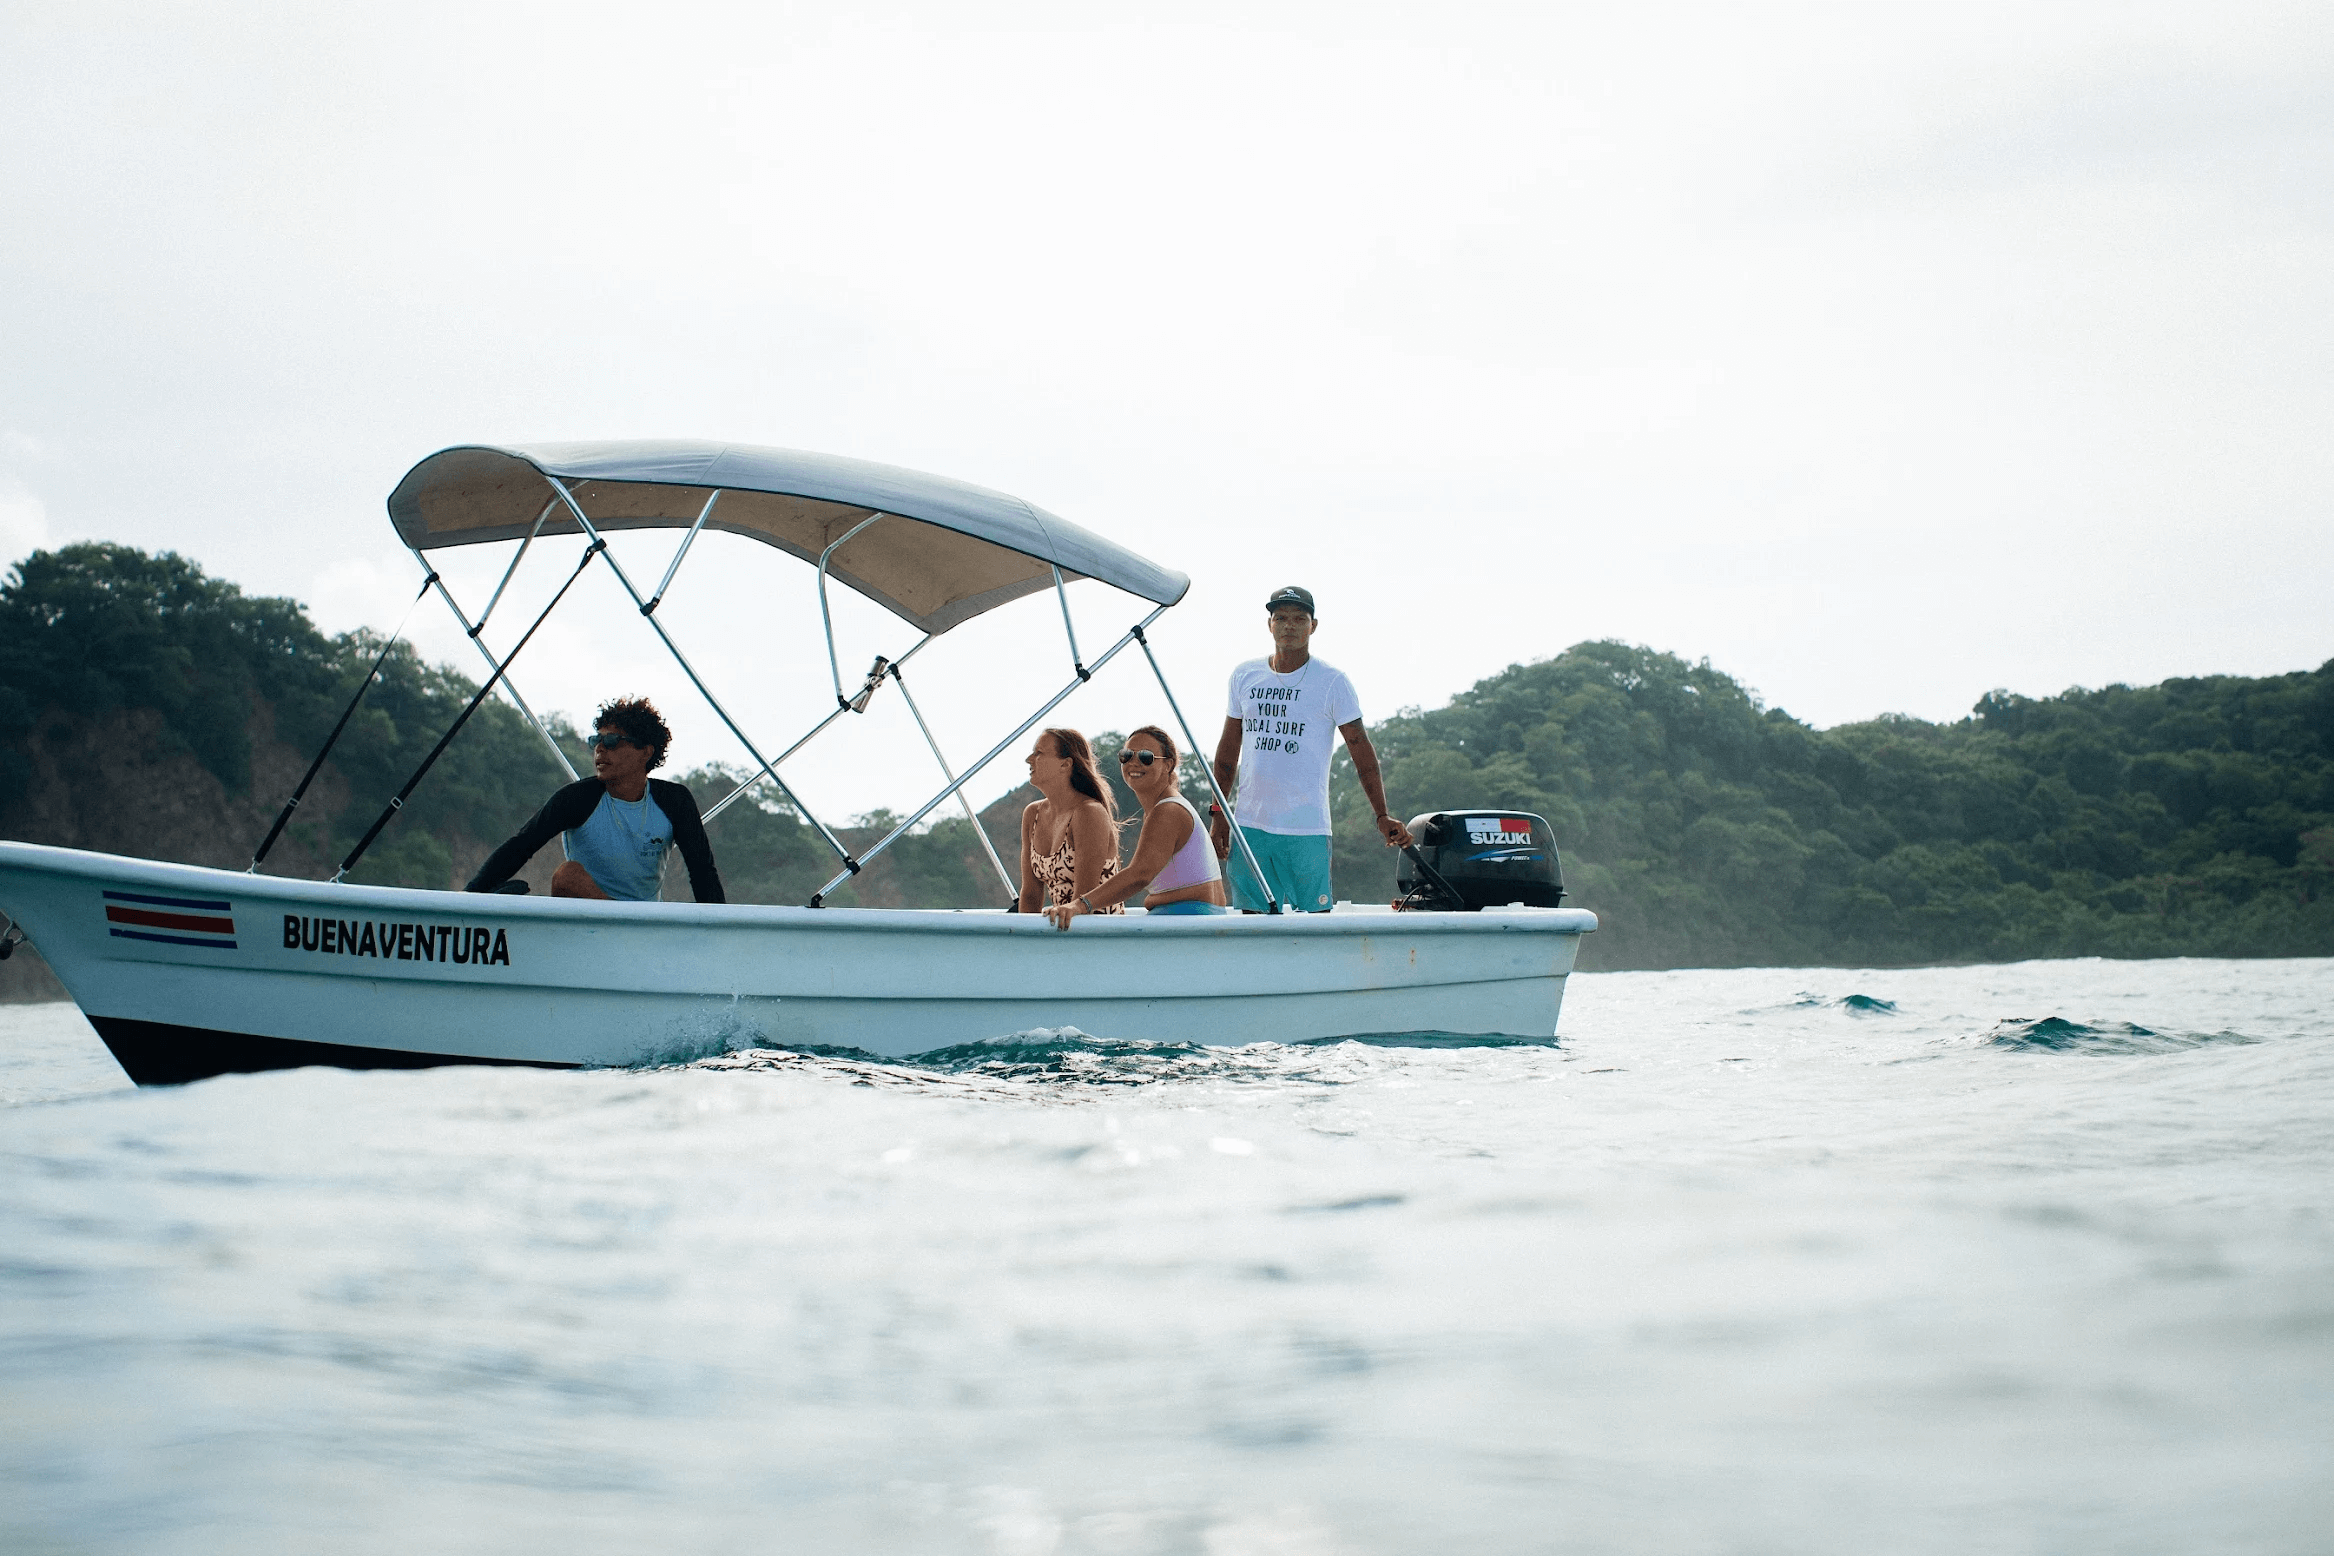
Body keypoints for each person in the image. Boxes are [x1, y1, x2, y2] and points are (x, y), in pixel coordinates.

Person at [1209, 585, 1412, 912]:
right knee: (1252, 923)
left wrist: (1381, 814)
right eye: (1281, 618)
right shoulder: (1244, 675)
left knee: (1315, 920)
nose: (1289, 626)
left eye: (1299, 619)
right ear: (1270, 624)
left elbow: (1362, 752)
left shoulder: (1332, 681)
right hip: (1250, 827)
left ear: (1313, 626)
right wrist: (1219, 815)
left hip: (1307, 828)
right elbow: (1228, 752)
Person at [465, 696, 724, 902]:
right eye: (596, 740)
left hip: (645, 922)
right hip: (588, 917)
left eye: (612, 741)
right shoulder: (578, 799)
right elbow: (520, 846)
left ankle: (626, 930)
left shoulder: (674, 801)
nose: (600, 748)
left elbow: (703, 872)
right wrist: (470, 898)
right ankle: (622, 928)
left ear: (645, 752)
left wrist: (720, 934)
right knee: (568, 876)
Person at [1045, 725, 1228, 928]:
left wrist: (1080, 905)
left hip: (1188, 917)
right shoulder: (1164, 807)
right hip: (1192, 916)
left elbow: (1139, 875)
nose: (1134, 763)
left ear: (1168, 765)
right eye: (1127, 756)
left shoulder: (1168, 811)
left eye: (1146, 757)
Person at [1015, 727, 1122, 916]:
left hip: (1099, 934)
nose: (1028, 760)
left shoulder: (1089, 813)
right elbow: (1031, 895)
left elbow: (1083, 899)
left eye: (1038, 753)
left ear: (1065, 764)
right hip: (1063, 931)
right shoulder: (1033, 813)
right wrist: (1025, 942)